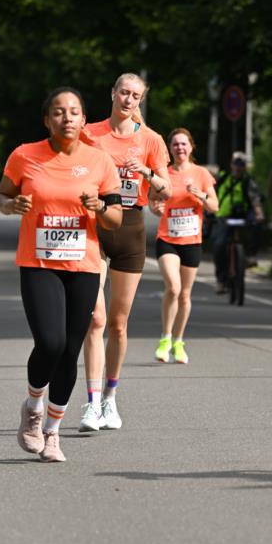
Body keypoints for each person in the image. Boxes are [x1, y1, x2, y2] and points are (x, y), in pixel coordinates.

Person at [0, 87, 122, 463]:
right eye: (58, 112)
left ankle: (52, 433)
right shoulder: (24, 155)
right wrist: (11, 204)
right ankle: (33, 407)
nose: (66, 118)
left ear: (84, 120)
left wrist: (100, 206)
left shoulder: (100, 162)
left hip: (83, 265)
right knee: (49, 343)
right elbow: (2, 196)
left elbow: (115, 220)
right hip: (39, 263)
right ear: (46, 120)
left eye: (74, 112)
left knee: (70, 351)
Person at [78, 72, 170, 433]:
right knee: (95, 319)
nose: (129, 100)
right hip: (96, 227)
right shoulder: (92, 134)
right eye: (124, 93)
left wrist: (145, 171)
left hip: (131, 230)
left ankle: (110, 400)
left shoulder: (151, 140)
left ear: (140, 100)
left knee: (117, 323)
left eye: (136, 95)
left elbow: (167, 187)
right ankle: (90, 403)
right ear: (112, 94)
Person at [148, 128, 218, 364]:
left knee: (186, 295)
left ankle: (179, 341)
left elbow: (214, 207)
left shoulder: (201, 174)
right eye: (175, 144)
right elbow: (153, 202)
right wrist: (156, 209)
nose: (180, 148)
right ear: (170, 148)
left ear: (191, 147)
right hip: (167, 239)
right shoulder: (164, 175)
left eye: (183, 144)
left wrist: (201, 195)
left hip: (192, 242)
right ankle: (165, 338)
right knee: (174, 288)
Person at [212, 153, 263, 292]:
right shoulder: (223, 178)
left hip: (243, 217)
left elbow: (255, 199)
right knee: (219, 246)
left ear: (244, 167)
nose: (238, 168)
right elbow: (212, 194)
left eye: (241, 165)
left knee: (256, 228)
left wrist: (258, 213)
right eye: (236, 164)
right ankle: (221, 280)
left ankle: (250, 256)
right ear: (231, 165)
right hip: (223, 217)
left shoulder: (248, 182)